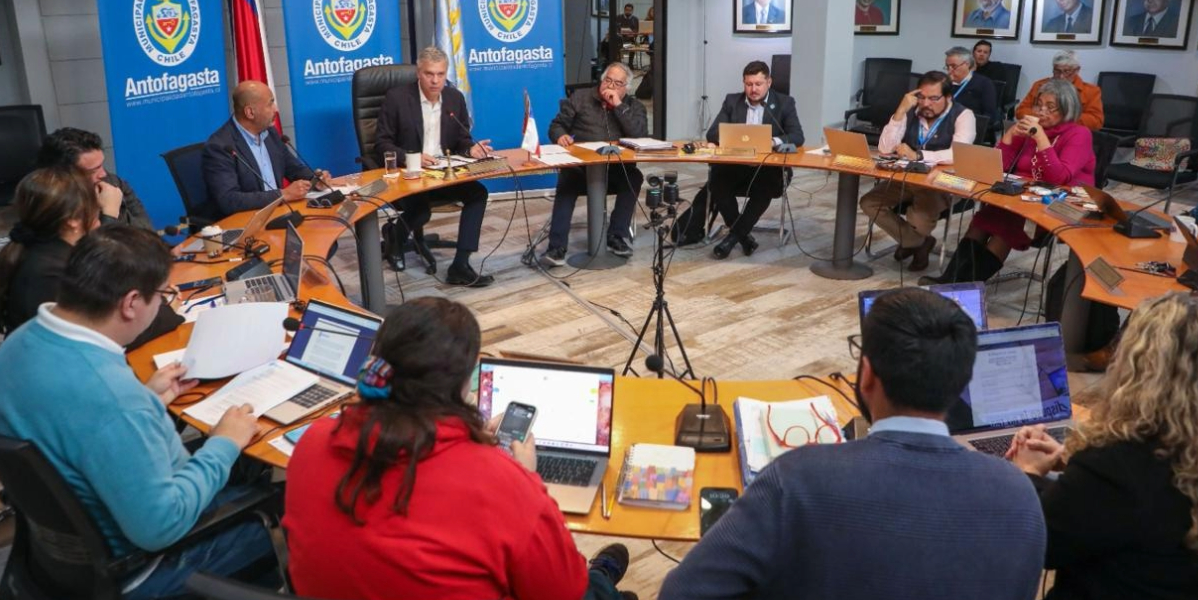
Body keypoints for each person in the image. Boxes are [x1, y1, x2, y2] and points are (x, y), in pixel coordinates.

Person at [657, 288, 1046, 600]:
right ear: (962, 382)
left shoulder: (797, 479)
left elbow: (682, 592)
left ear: (867, 376)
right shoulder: (1020, 495)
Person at [284, 297, 637, 600]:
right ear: (464, 384)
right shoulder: (503, 483)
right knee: (586, 587)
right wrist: (526, 479)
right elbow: (562, 593)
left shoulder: (314, 441)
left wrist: (469, 441)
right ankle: (603, 581)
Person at [0, 225, 275, 599]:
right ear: (131, 303)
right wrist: (224, 443)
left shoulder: (15, 347)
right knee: (290, 509)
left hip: (61, 556)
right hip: (144, 565)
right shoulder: (112, 397)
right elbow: (161, 526)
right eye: (162, 296)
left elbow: (78, 426)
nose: (162, 306)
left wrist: (148, 399)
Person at [1007, 292, 1198, 599]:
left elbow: (1040, 546)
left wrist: (1025, 474)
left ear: (1138, 369)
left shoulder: (1117, 466)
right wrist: (1074, 466)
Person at [925, 79, 1095, 285]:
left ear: (1068, 109)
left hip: (1056, 205)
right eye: (1039, 105)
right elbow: (999, 168)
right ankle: (949, 280)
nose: (1042, 111)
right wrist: (1009, 136)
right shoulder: (1029, 130)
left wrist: (1040, 138)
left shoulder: (1078, 134)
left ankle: (963, 286)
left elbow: (1059, 178)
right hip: (1020, 198)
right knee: (980, 222)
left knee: (1004, 228)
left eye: (1050, 107)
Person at [0, 167, 182, 349]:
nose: (99, 214)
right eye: (96, 207)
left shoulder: (43, 252)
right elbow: (105, 332)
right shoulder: (57, 273)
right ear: (73, 220)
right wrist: (164, 311)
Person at [373, 46, 495, 287]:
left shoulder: (454, 98)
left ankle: (460, 265)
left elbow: (461, 139)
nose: (435, 80)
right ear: (419, 73)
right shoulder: (397, 98)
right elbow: (382, 143)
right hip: (411, 174)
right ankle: (394, 237)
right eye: (429, 74)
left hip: (443, 172)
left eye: (440, 74)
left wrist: (471, 149)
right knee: (421, 211)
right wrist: (412, 157)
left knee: (478, 193)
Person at [859, 71, 976, 271]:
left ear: (948, 97)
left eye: (934, 98)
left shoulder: (964, 115)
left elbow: (959, 154)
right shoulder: (911, 111)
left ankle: (912, 241)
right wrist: (900, 111)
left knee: (919, 218)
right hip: (907, 178)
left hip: (941, 183)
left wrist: (919, 155)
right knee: (869, 202)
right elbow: (885, 148)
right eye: (921, 97)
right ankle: (918, 242)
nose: (926, 104)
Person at [541, 62, 648, 266]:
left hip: (616, 170)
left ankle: (616, 235)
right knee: (567, 180)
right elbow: (556, 125)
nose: (611, 86)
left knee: (634, 177)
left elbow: (640, 135)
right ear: (601, 80)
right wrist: (560, 135)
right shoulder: (580, 98)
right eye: (608, 80)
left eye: (617, 83)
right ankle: (556, 247)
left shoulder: (634, 107)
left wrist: (619, 106)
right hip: (582, 169)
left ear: (626, 88)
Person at [704, 60, 804, 260]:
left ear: (769, 82)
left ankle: (732, 239)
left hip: (767, 169)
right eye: (749, 84)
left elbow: (797, 136)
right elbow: (712, 133)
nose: (753, 89)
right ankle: (744, 238)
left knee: (765, 187)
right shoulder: (732, 101)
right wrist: (727, 138)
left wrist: (772, 141)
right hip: (736, 167)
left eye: (758, 84)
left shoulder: (784, 103)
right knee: (717, 182)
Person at [202, 80, 330, 216]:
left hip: (280, 212)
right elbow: (229, 200)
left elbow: (293, 168)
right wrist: (283, 194)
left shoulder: (270, 133)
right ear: (250, 112)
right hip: (247, 219)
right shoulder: (220, 146)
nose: (276, 109)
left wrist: (315, 180)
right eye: (270, 103)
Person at [36, 127, 153, 230]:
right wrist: (109, 213)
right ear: (65, 174)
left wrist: (118, 211)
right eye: (93, 170)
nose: (103, 174)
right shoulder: (53, 205)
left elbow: (146, 230)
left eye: (101, 165)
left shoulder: (112, 182)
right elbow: (94, 247)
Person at [1014, 50, 1104, 131]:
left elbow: (1097, 122)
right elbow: (1020, 111)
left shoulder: (1091, 91)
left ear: (1077, 70)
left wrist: (1061, 116)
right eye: (1057, 71)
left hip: (1071, 134)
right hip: (1040, 131)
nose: (1061, 76)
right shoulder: (1039, 85)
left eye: (1067, 71)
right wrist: (1042, 115)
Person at [944, 45, 998, 123]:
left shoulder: (984, 83)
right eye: (947, 66)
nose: (949, 70)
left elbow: (989, 116)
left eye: (953, 66)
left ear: (967, 64)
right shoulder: (944, 83)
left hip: (971, 125)